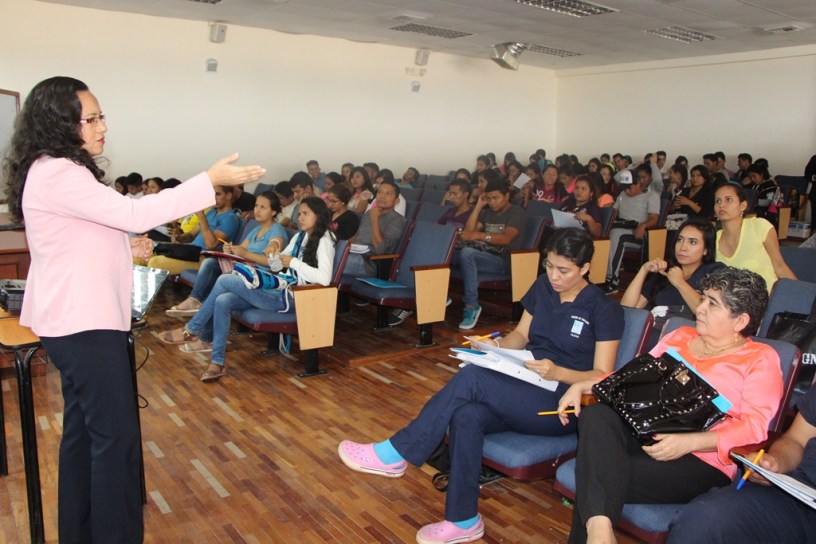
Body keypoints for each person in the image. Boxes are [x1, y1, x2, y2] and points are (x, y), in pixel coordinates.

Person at [2, 76, 265, 543]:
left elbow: (86, 231)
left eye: (102, 115)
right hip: (84, 324)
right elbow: (133, 212)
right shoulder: (59, 171)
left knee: (85, 435)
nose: (103, 125)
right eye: (92, 117)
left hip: (73, 320)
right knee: (115, 439)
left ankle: (80, 533)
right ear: (62, 123)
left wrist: (122, 242)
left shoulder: (53, 170)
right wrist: (207, 182)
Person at [338, 228, 624, 544]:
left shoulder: (603, 308)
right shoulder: (544, 286)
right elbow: (522, 335)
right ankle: (463, 520)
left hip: (560, 405)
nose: (554, 276)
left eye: (564, 271)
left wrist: (559, 372)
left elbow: (603, 376)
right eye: (549, 266)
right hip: (525, 385)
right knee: (467, 415)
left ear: (585, 268)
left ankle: (398, 451)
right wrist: (496, 346)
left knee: (473, 379)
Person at [559, 267, 784, 544]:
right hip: (647, 433)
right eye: (703, 299)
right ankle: (601, 533)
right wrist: (588, 384)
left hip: (702, 461)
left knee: (596, 472)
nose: (699, 308)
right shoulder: (681, 336)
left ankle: (598, 533)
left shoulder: (760, 358)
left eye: (712, 304)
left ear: (740, 320)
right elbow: (631, 379)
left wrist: (690, 442)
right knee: (597, 414)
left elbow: (755, 429)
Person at [160, 197, 335, 382]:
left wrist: (293, 262)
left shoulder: (325, 239)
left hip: (295, 298)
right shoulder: (301, 236)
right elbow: (276, 267)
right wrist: (274, 255)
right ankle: (217, 363)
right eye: (299, 213)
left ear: (319, 214)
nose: (300, 218)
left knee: (225, 280)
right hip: (280, 290)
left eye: (305, 213)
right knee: (223, 300)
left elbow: (324, 278)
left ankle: (192, 330)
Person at [666, 383, 816, 544]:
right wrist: (776, 461)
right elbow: (796, 440)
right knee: (703, 518)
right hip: (800, 495)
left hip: (708, 461)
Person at [165, 190, 289, 317]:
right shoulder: (257, 229)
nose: (257, 210)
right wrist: (230, 250)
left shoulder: (277, 231)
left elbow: (273, 263)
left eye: (263, 207)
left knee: (216, 275)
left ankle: (200, 307)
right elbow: (241, 250)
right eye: (256, 206)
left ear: (273, 212)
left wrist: (245, 254)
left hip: (256, 274)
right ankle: (194, 300)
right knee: (210, 262)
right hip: (243, 267)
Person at [621, 217, 724, 349]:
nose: (683, 247)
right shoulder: (665, 273)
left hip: (687, 342)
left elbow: (709, 314)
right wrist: (644, 270)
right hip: (653, 336)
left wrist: (679, 283)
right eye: (680, 240)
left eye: (692, 242)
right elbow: (628, 309)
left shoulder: (715, 271)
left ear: (706, 250)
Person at [455, 179, 527, 329]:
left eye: (496, 198)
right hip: (485, 255)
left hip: (504, 260)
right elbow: (468, 232)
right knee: (455, 250)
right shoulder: (487, 212)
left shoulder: (516, 212)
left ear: (506, 196)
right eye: (489, 199)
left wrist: (479, 236)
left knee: (467, 253)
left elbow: (506, 239)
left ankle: (471, 306)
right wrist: (478, 207)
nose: (492, 202)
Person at [714, 182, 796, 292]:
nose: (721, 205)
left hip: (766, 300)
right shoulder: (714, 238)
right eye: (718, 201)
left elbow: (780, 267)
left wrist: (803, 298)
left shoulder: (759, 226)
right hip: (732, 303)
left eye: (728, 200)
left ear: (743, 205)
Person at [146, 185, 240, 274]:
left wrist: (201, 215)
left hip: (203, 258)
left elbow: (210, 245)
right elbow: (191, 235)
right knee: (145, 256)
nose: (213, 197)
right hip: (189, 252)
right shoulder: (211, 213)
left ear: (228, 196)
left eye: (217, 194)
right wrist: (179, 237)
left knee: (155, 263)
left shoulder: (230, 219)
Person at [604, 170, 661, 294]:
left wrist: (643, 225)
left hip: (639, 234)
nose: (627, 191)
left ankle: (612, 280)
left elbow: (654, 219)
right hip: (622, 227)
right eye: (625, 188)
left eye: (630, 187)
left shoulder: (651, 196)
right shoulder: (622, 195)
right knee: (607, 235)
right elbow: (614, 213)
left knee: (617, 235)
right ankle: (599, 276)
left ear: (639, 183)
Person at [344, 180, 406, 278]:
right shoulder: (370, 213)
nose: (382, 196)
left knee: (334, 261)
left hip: (369, 264)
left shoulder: (397, 220)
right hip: (353, 254)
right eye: (379, 192)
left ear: (396, 201)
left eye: (388, 194)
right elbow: (358, 237)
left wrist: (375, 219)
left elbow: (381, 250)